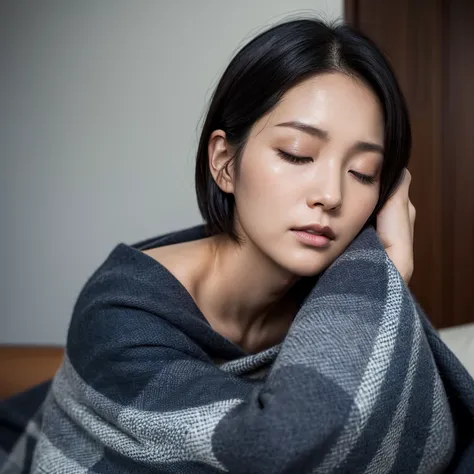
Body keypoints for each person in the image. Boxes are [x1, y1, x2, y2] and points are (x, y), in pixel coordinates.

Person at [27, 17, 474, 474]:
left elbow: (441, 435)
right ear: (224, 163)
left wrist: (385, 272)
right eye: (297, 153)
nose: (332, 195)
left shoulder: (345, 281)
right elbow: (278, 447)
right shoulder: (122, 313)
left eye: (363, 172)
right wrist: (389, 276)